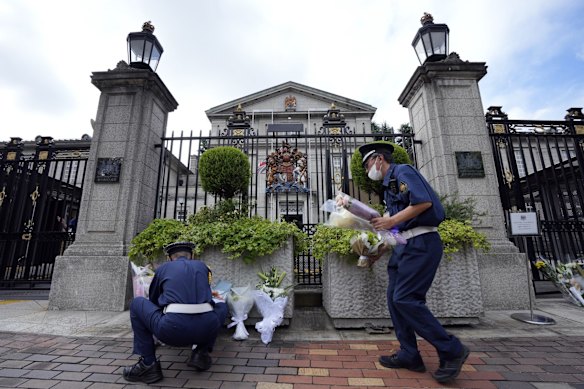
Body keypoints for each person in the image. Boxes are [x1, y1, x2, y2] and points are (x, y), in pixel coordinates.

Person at [359, 142, 469, 384]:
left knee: (406, 299)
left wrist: (391, 221)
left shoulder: (403, 171)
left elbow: (423, 203)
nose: (368, 170)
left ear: (379, 159)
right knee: (394, 300)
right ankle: (410, 354)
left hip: (422, 243)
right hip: (404, 247)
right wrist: (378, 249)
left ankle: (451, 349)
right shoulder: (389, 187)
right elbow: (399, 228)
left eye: (368, 165)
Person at [122, 242, 228, 384]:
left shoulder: (163, 268)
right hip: (206, 330)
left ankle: (148, 365)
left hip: (172, 332)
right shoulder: (203, 266)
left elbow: (154, 301)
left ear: (169, 258)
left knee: (137, 304)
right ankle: (201, 352)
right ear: (192, 256)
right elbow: (207, 299)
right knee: (222, 307)